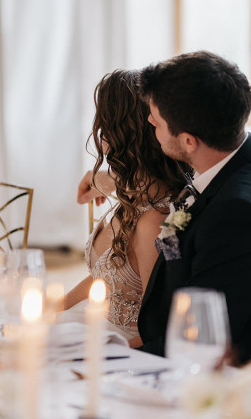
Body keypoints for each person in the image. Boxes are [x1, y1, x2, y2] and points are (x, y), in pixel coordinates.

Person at [136, 50, 251, 363]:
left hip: (237, 379)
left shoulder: (239, 215)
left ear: (189, 141)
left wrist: (114, 358)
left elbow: (200, 341)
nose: (150, 121)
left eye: (157, 121)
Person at [65, 70, 189, 346]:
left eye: (102, 118)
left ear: (122, 130)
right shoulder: (134, 193)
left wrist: (93, 353)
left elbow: (159, 328)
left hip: (123, 350)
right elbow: (107, 279)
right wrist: (57, 306)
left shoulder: (153, 223)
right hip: (93, 324)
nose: (97, 129)